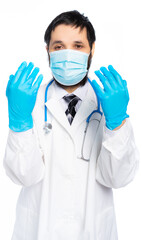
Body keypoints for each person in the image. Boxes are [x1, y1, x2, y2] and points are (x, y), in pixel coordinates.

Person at [3, 10, 139, 240]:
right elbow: (23, 176)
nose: (67, 55)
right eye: (58, 47)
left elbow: (118, 178)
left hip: (94, 232)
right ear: (47, 51)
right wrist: (19, 123)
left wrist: (116, 124)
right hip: (38, 231)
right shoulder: (31, 103)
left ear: (92, 49)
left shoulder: (109, 103)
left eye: (77, 46)